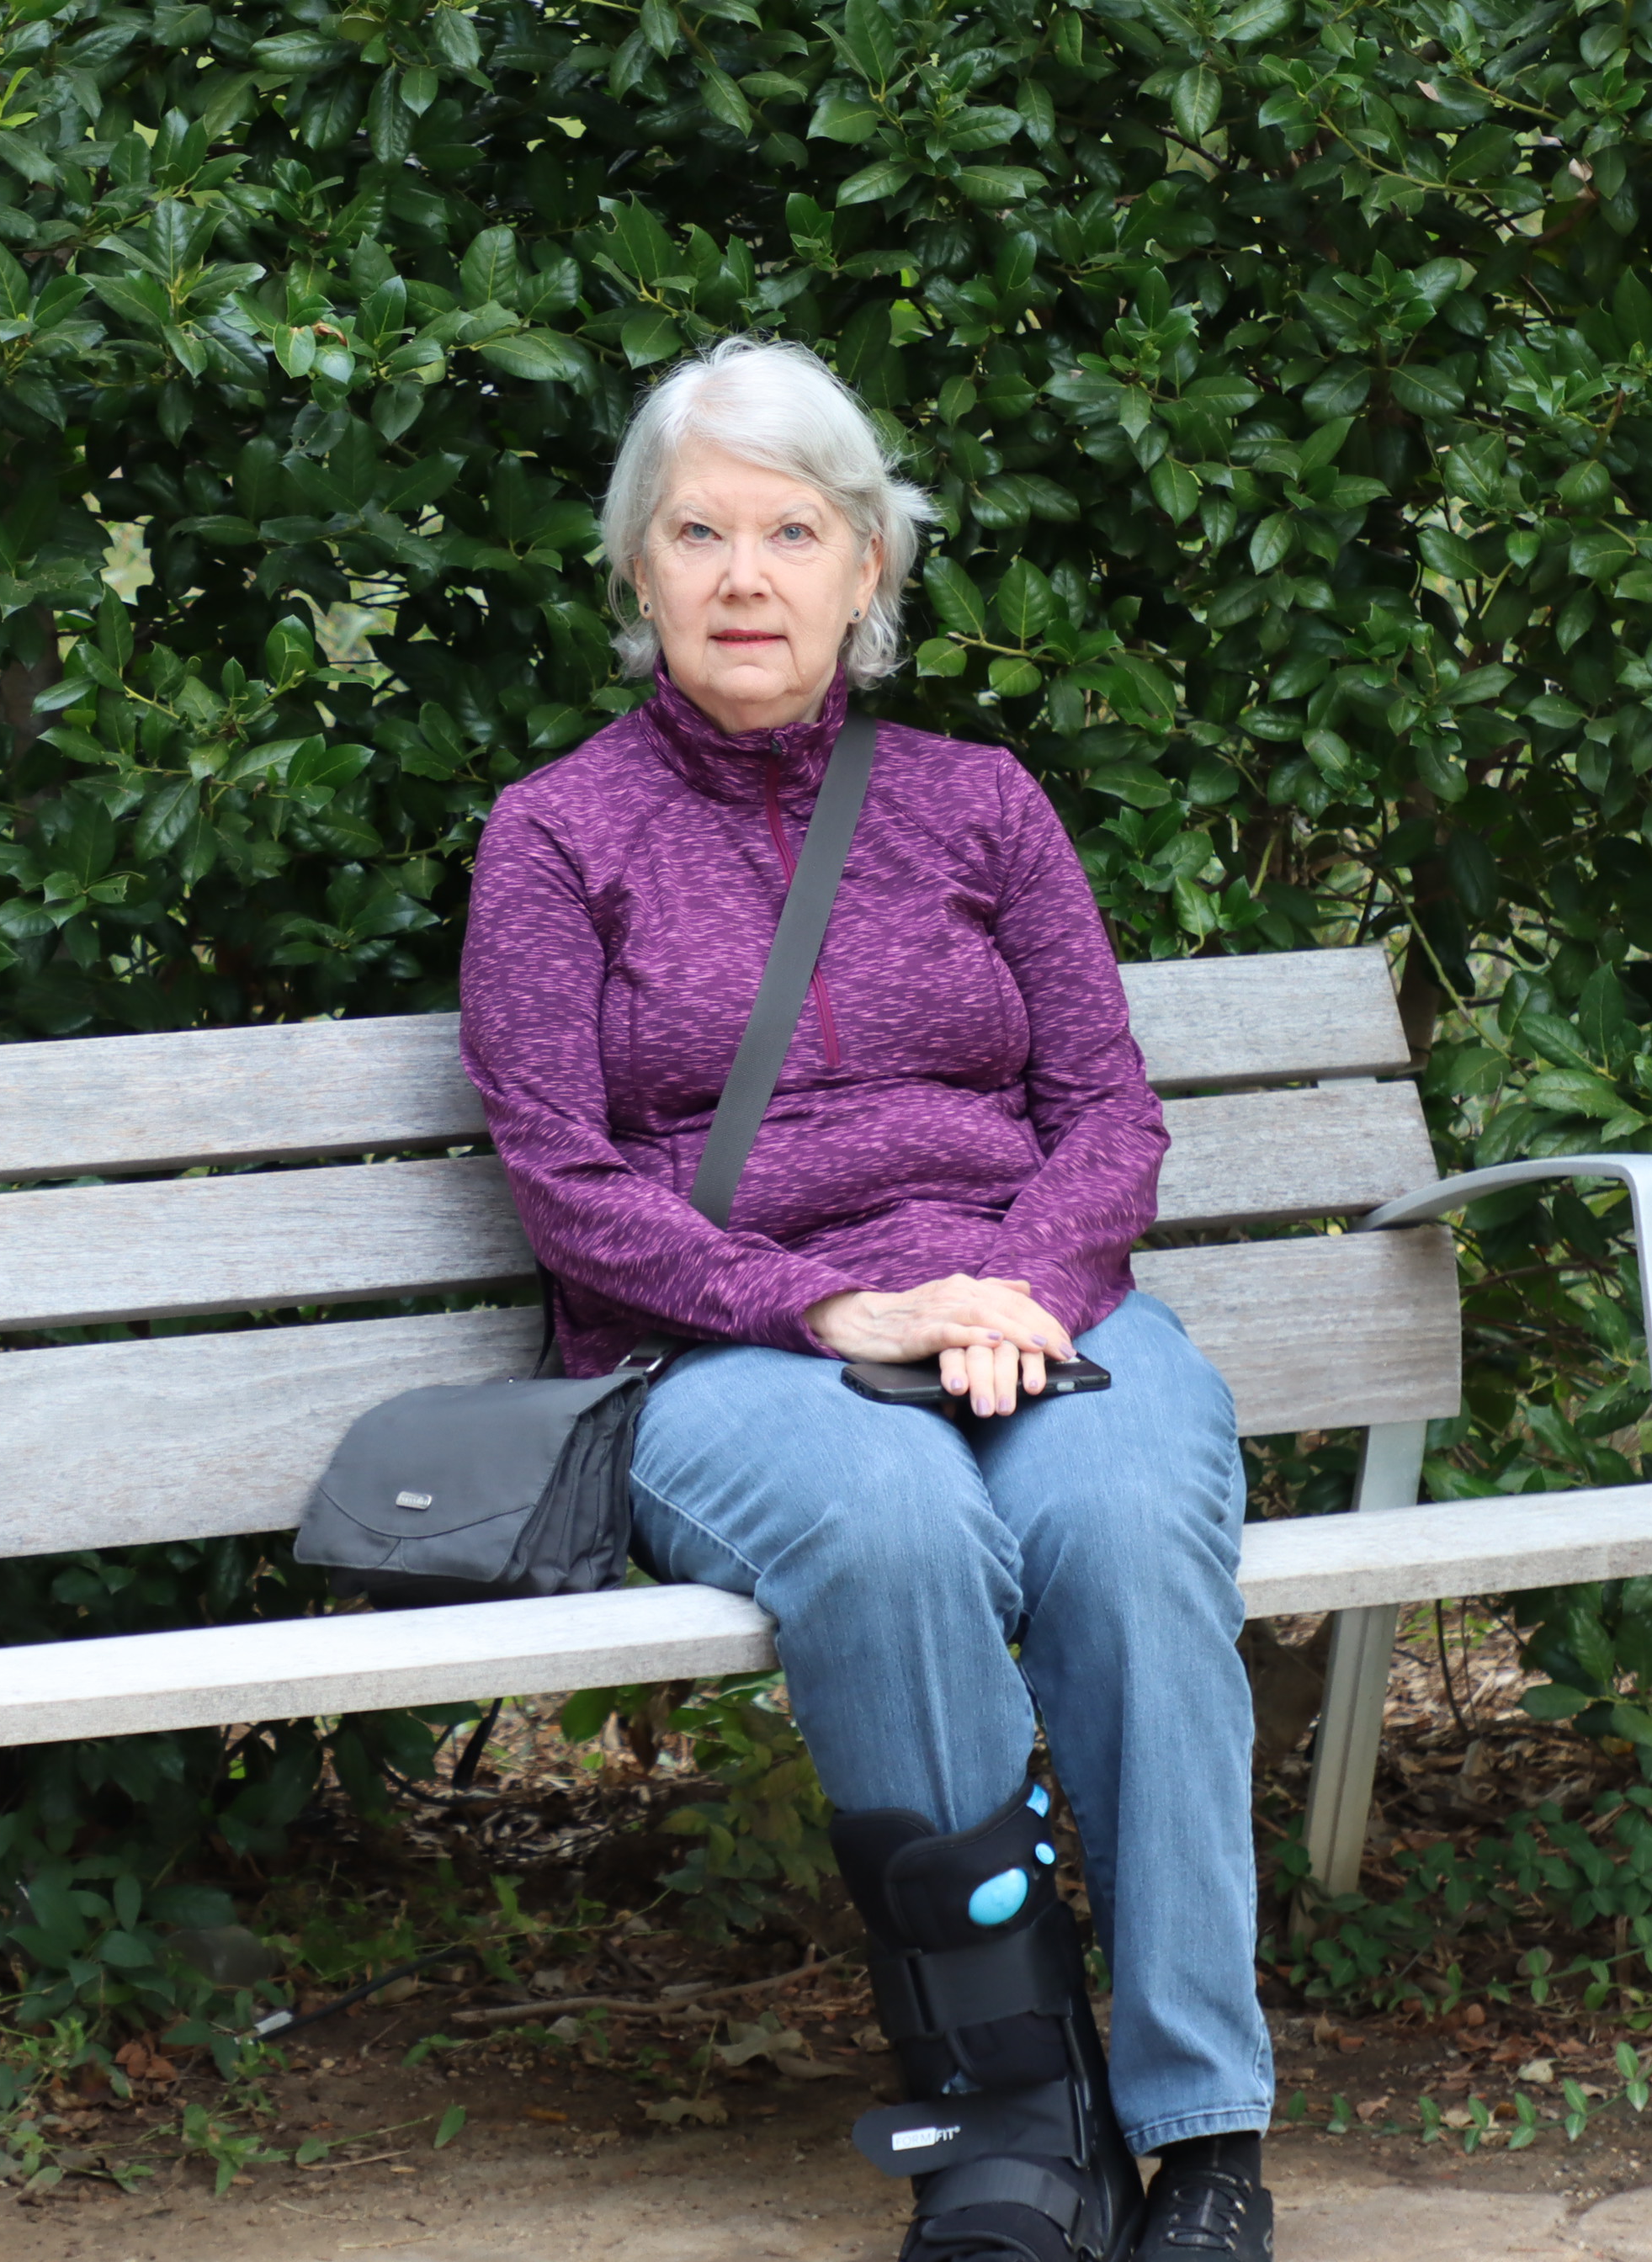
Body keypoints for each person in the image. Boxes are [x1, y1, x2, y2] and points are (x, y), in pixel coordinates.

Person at [456, 337, 1275, 2262]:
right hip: (729, 1346)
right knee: (895, 1527)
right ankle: (1017, 2115)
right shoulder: (556, 837)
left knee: (1127, 1527)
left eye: (792, 534)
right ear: (637, 572)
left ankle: (1208, 2140)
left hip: (1030, 1306)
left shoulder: (981, 806)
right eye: (699, 534)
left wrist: (1021, 1283)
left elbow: (1108, 1113)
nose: (745, 577)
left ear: (868, 570)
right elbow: (566, 1183)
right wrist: (829, 1308)